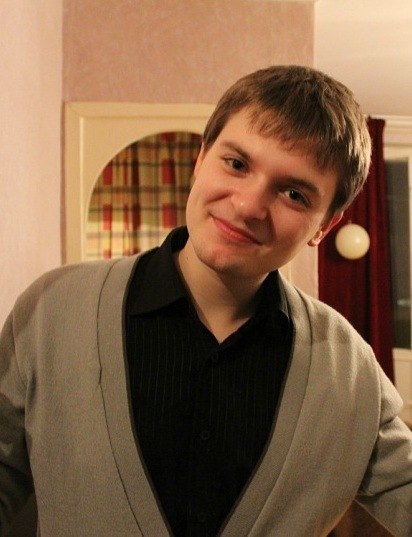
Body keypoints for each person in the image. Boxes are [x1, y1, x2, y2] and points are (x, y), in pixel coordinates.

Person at [0, 65, 411, 537]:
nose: (248, 205)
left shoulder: (351, 371)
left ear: (324, 226)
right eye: (236, 164)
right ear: (201, 159)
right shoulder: (51, 311)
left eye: (294, 194)